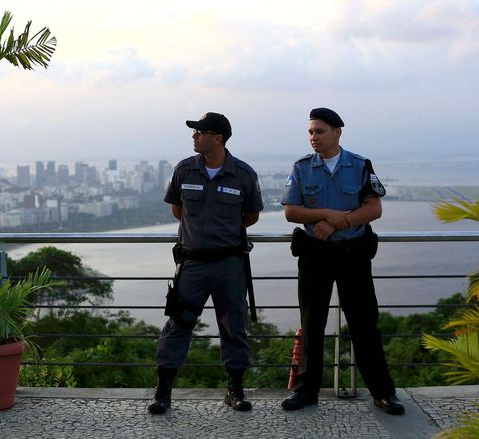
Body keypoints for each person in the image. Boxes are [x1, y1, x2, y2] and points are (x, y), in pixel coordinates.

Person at [279, 108, 404, 415]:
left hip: (352, 254)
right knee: (312, 323)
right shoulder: (302, 167)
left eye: (319, 131)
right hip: (315, 254)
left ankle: (383, 392)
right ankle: (306, 391)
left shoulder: (360, 166)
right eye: (310, 132)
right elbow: (291, 211)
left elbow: (374, 209)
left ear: (337, 132)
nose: (313, 138)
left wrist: (338, 223)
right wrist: (325, 215)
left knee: (364, 323)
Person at [147, 112, 264, 414]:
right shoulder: (184, 170)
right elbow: (177, 209)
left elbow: (251, 215)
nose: (194, 136)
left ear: (218, 138)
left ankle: (235, 390)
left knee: (233, 327)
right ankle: (163, 391)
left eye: (200, 131)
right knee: (178, 325)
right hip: (193, 264)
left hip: (229, 265)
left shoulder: (243, 174)